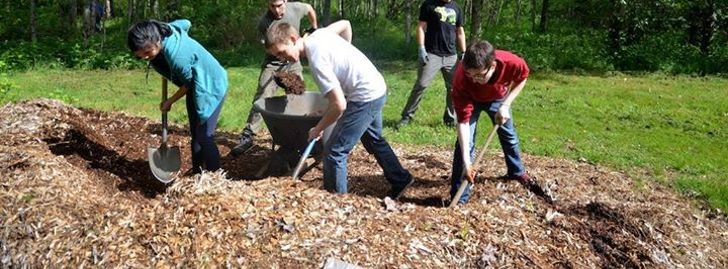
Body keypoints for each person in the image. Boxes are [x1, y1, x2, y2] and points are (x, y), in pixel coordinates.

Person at [265, 21, 414, 198]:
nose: (283, 58)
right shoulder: (319, 34)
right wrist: (346, 57)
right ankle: (401, 179)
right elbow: (346, 24)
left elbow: (340, 105)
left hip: (364, 96)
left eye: (282, 52)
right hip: (376, 85)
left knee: (334, 152)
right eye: (278, 56)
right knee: (373, 139)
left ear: (293, 38)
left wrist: (318, 128)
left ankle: (337, 204)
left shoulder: (316, 60)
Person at [127, 19, 228, 174]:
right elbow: (186, 23)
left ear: (156, 40)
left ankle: (215, 179)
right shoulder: (165, 30)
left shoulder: (176, 56)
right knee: (196, 134)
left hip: (210, 84)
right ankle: (198, 174)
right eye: (141, 56)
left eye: (147, 53)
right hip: (196, 84)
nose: (145, 58)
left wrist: (169, 101)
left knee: (204, 136)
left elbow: (189, 84)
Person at [449, 40, 534, 205]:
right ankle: (459, 197)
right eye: (471, 75)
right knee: (463, 147)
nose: (474, 80)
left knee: (509, 136)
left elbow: (523, 77)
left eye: (480, 75)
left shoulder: (511, 63)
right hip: (470, 100)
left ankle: (516, 171)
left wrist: (506, 104)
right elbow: (463, 123)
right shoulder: (461, 79)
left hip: (497, 99)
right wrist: (468, 162)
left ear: (493, 66)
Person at [231, 0, 318, 156]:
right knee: (262, 97)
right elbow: (271, 48)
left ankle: (301, 137)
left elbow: (310, 9)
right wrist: (279, 72)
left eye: (279, 5)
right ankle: (248, 136)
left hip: (293, 60)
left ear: (285, 1)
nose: (277, 10)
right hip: (273, 64)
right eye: (272, 6)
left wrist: (314, 27)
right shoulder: (264, 22)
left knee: (299, 98)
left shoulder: (296, 8)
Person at [397, 0, 466, 128]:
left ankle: (450, 119)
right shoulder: (429, 5)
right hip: (431, 54)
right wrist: (421, 48)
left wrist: (463, 52)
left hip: (451, 56)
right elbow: (421, 27)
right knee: (421, 85)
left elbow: (460, 31)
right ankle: (406, 117)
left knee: (454, 88)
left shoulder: (457, 8)